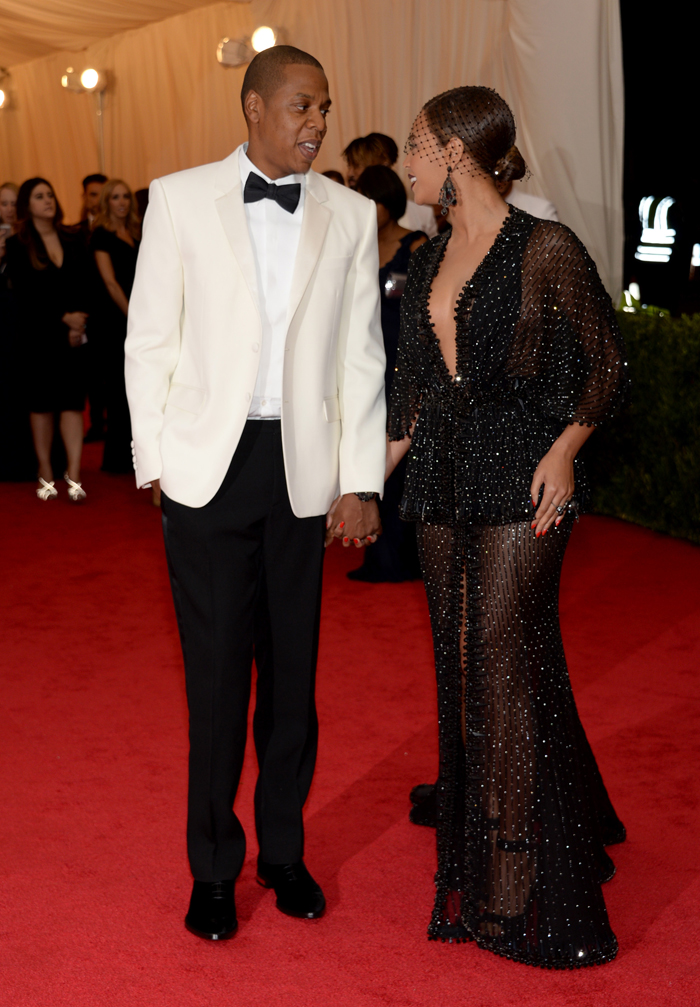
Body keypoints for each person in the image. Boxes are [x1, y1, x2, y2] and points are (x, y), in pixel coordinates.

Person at [125, 45, 385, 942]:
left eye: (325, 109)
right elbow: (150, 337)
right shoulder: (179, 197)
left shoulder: (351, 215)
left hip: (302, 475)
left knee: (293, 684)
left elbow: (362, 358)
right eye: (303, 107)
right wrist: (154, 456)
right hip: (208, 470)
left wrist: (360, 478)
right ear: (254, 107)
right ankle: (211, 868)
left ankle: (283, 852)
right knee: (214, 681)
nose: (318, 123)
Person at [380, 86, 627, 968]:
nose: (404, 164)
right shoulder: (428, 253)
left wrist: (567, 448)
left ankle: (519, 881)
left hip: (526, 478)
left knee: (502, 660)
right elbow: (411, 399)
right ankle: (491, 848)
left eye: (414, 146)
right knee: (461, 668)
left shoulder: (543, 246)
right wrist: (347, 487)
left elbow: (607, 361)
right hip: (444, 487)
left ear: (455, 150)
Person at [347, 164, 426, 582]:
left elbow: (429, 314)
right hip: (363, 364)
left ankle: (402, 558)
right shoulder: (356, 244)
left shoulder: (416, 244)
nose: (365, 207)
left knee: (401, 464)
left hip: (403, 365)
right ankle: (377, 552)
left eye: (372, 200)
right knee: (370, 455)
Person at [4, 178, 90, 501]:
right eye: (40, 196)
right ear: (28, 205)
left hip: (73, 337)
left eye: (50, 194)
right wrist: (62, 318)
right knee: (41, 407)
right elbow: (27, 295)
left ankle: (76, 474)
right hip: (38, 337)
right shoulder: (17, 244)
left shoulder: (74, 237)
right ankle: (45, 471)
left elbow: (86, 282)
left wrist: (77, 320)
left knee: (71, 405)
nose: (48, 200)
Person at [90, 179, 140, 474]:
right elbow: (110, 281)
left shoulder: (136, 232)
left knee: (136, 386)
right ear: (106, 202)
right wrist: (132, 315)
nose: (121, 202)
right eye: (115, 198)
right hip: (114, 320)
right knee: (120, 389)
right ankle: (117, 460)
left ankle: (134, 454)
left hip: (137, 316)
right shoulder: (101, 235)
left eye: (125, 197)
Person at [342, 132, 438, 238]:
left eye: (356, 165)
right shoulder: (343, 210)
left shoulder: (422, 214)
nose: (349, 173)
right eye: (349, 166)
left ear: (383, 165)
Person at [78, 173, 108, 443]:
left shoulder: (122, 230)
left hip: (114, 311)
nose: (95, 200)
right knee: (91, 373)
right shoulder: (74, 232)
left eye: (100, 194)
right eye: (91, 194)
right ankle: (96, 423)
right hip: (88, 312)